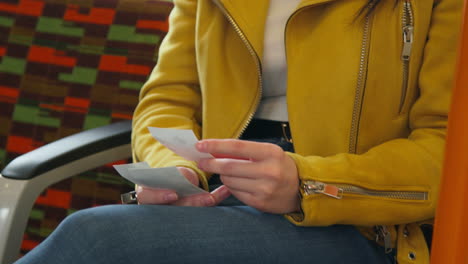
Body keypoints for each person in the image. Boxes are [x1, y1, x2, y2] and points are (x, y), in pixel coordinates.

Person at [15, 0, 462, 263]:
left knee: (95, 238)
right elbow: (167, 98)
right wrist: (178, 168)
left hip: (358, 218)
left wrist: (310, 184)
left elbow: (448, 150)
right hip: (218, 188)